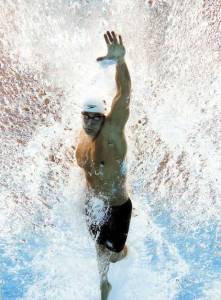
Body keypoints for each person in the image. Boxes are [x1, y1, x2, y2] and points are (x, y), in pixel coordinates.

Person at [76, 31, 132, 300]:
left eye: (95, 118)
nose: (89, 123)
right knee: (99, 247)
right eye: (85, 118)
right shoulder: (82, 138)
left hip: (118, 204)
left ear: (104, 117)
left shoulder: (112, 133)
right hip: (94, 201)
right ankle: (104, 284)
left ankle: (122, 253)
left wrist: (120, 62)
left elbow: (124, 93)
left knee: (114, 252)